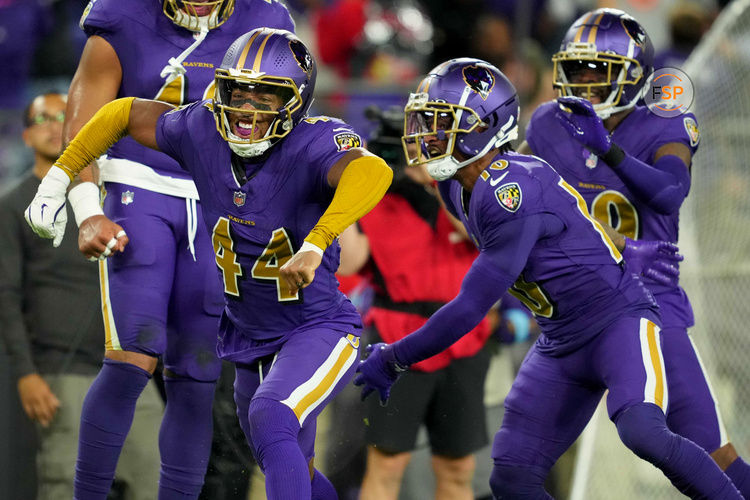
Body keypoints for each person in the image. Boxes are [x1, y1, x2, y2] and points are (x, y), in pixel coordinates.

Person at [24, 28, 393, 500]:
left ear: (295, 102)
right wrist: (59, 178)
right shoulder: (200, 129)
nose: (246, 109)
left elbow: (374, 170)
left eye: (266, 97)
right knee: (290, 462)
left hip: (315, 325)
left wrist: (318, 241)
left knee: (270, 415)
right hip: (249, 335)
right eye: (239, 92)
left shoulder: (316, 141)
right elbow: (121, 111)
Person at [353, 57, 744, 499]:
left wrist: (394, 358)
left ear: (483, 127)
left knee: (643, 430)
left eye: (442, 122)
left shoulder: (509, 191)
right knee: (512, 479)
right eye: (426, 120)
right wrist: (625, 245)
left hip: (616, 322)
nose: (428, 133)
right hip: (560, 340)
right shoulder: (458, 183)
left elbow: (469, 308)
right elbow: (570, 214)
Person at [45, 1, 295, 499]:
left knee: (199, 374)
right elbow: (84, 123)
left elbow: (284, 124)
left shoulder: (266, 20)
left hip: (217, 198)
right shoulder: (122, 15)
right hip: (137, 186)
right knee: (132, 357)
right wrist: (86, 208)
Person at [519, 8, 750, 496]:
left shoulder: (664, 123)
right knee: (520, 462)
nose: (581, 82)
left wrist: (610, 151)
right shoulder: (546, 123)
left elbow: (670, 192)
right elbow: (517, 197)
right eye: (575, 68)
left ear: (633, 74)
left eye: (596, 69)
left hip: (648, 304)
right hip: (574, 309)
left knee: (712, 453)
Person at [0, 92, 164, 500]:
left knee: (157, 480)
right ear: (25, 136)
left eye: (65, 115)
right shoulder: (13, 206)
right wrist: (26, 373)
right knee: (69, 489)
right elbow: (6, 295)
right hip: (63, 371)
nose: (57, 125)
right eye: (45, 117)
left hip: (128, 364)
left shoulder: (109, 195)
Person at [336, 107, 493, 500]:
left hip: (463, 339)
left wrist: (439, 181)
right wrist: (344, 193)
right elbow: (350, 261)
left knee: (458, 467)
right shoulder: (377, 200)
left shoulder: (465, 189)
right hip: (396, 339)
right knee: (386, 464)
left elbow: (482, 235)